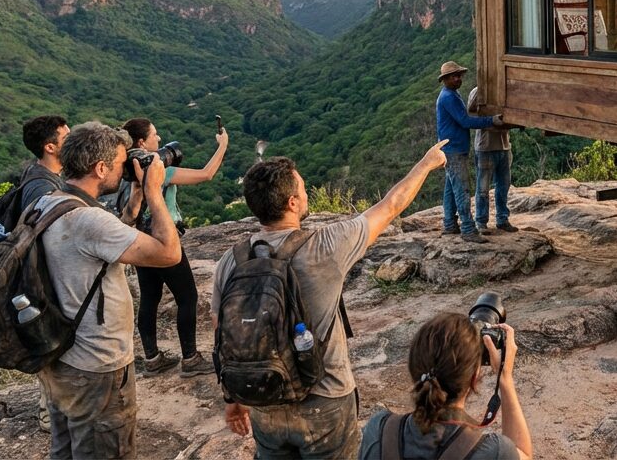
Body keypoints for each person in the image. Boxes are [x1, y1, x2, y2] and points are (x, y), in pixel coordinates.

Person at [215, 140, 449, 459]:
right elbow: (391, 205)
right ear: (293, 202)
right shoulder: (326, 246)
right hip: (325, 401)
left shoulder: (230, 262)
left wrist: (232, 400)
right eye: (303, 189)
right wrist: (426, 163)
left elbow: (225, 335)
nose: (308, 193)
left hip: (263, 399)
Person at [33, 121, 182, 459]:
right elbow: (169, 253)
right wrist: (155, 191)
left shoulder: (49, 202)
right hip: (97, 366)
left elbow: (110, 236)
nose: (124, 168)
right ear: (100, 168)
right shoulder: (88, 221)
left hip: (60, 356)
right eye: (118, 162)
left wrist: (137, 198)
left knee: (67, 450)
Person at [118, 117, 228, 378]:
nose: (159, 139)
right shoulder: (158, 170)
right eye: (154, 135)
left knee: (149, 298)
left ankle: (152, 359)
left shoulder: (127, 171)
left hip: (140, 241)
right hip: (163, 239)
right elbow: (206, 174)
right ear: (142, 142)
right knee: (187, 296)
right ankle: (190, 359)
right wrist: (223, 145)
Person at [356, 313, 533, 460]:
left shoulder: (378, 430)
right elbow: (523, 454)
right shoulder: (493, 452)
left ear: (413, 369)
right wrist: (505, 379)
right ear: (473, 378)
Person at [19, 114, 71, 434]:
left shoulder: (46, 176)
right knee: (53, 350)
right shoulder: (41, 185)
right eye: (66, 138)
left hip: (44, 280)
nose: (72, 141)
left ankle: (55, 413)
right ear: (50, 147)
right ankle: (48, 415)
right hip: (42, 282)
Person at [436, 62, 502, 243]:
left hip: (450, 148)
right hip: (454, 149)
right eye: (453, 76)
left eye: (458, 75)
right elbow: (465, 121)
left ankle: (450, 223)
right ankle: (468, 229)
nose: (457, 79)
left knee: (451, 188)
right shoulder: (449, 97)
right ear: (445, 80)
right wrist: (492, 121)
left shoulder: (451, 94)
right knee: (462, 189)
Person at [467, 87, 517, 234]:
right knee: (483, 188)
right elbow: (470, 115)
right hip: (485, 147)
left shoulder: (506, 89)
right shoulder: (477, 92)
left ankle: (502, 219)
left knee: (504, 185)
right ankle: (481, 221)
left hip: (504, 145)